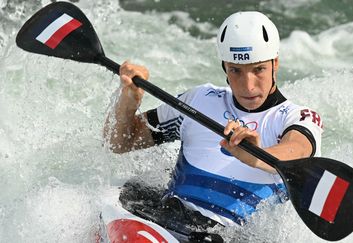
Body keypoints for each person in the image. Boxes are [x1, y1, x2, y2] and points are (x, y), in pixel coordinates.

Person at [104, 11, 323, 228]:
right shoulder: (199, 100)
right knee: (121, 192)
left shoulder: (299, 117)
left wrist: (255, 156)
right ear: (224, 67)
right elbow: (120, 142)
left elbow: (297, 151)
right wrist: (129, 99)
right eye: (235, 70)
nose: (248, 86)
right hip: (169, 218)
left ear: (275, 63)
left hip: (229, 236)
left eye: (259, 69)